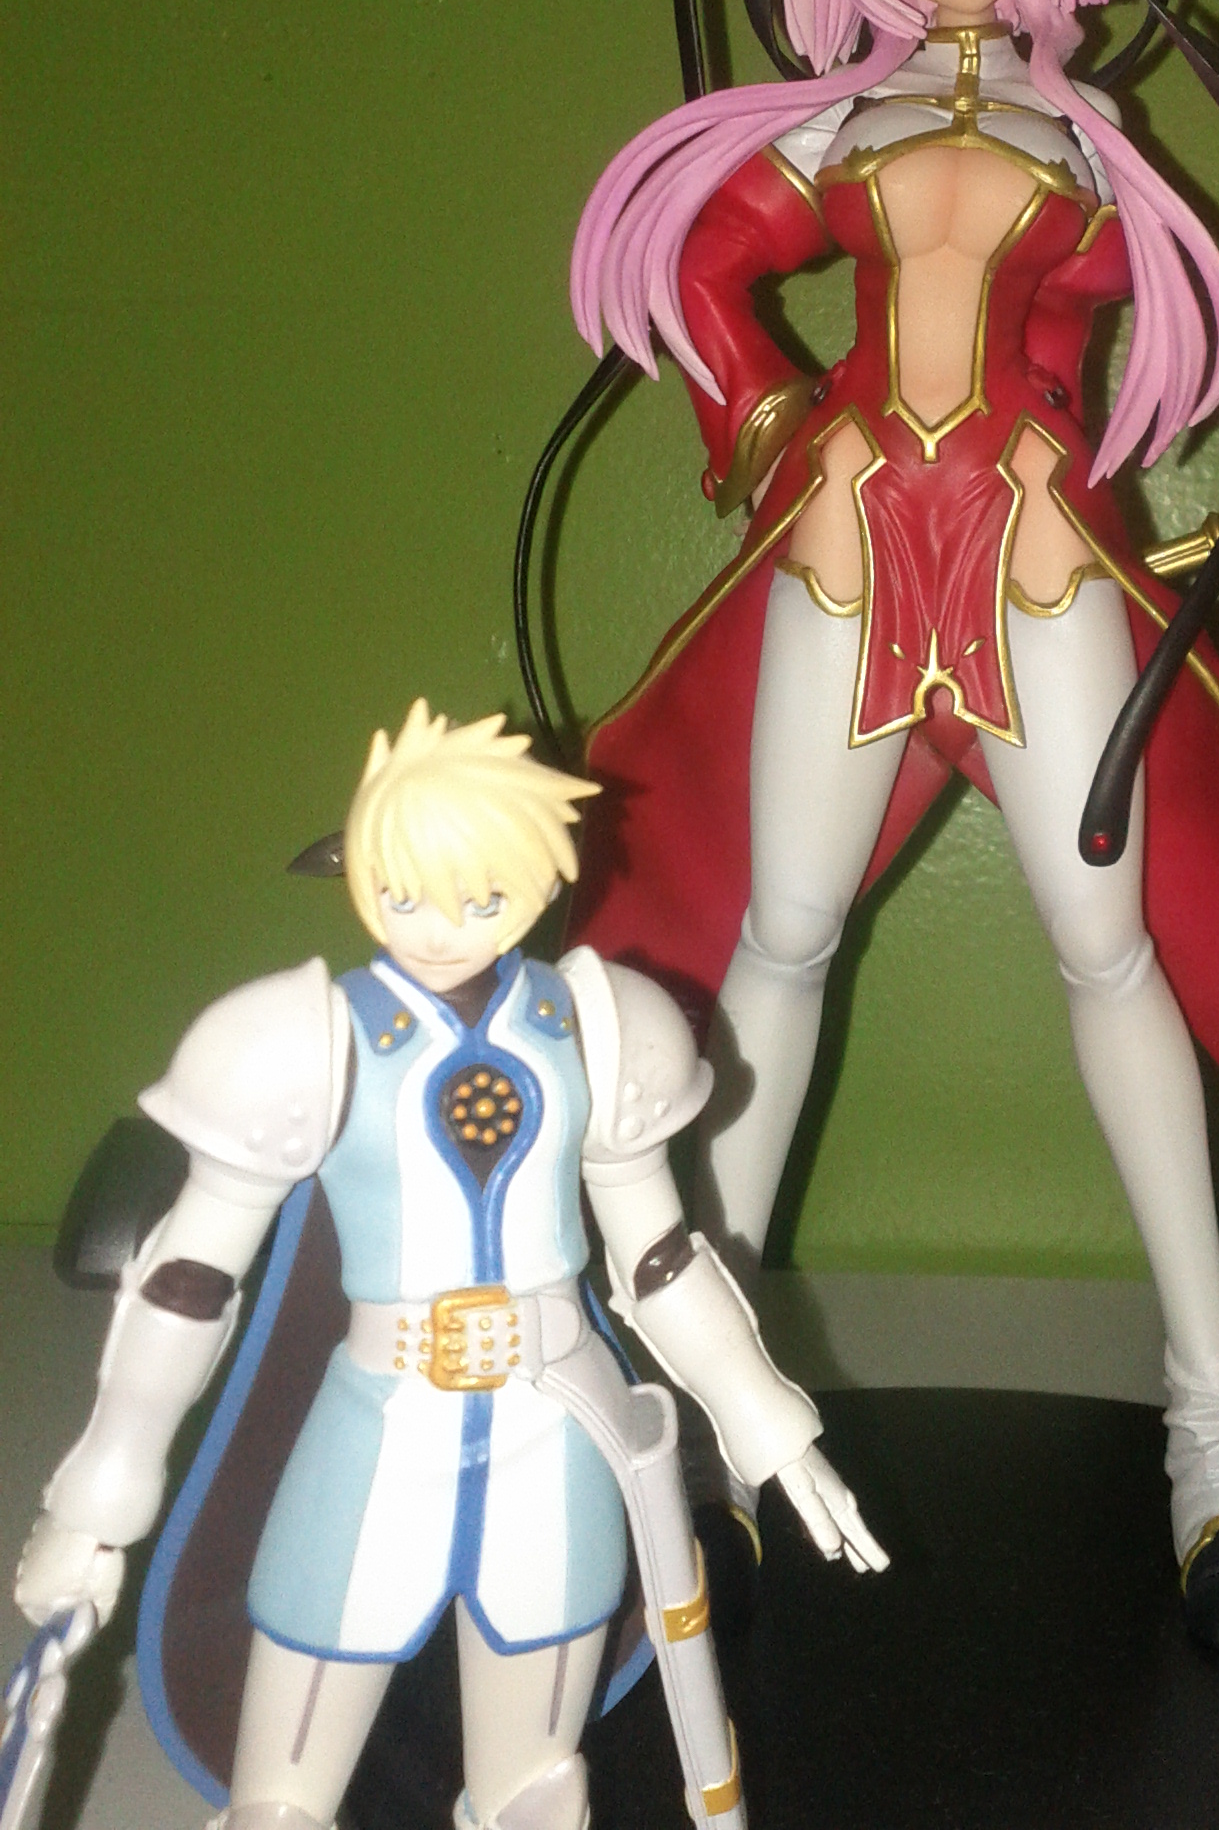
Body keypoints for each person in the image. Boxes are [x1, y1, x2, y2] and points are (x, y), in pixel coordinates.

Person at [567, 0, 1219, 1648]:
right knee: (777, 944)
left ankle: (1215, 1425)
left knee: (1114, 947)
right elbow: (701, 270)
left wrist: (1064, 437)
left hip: (1029, 555)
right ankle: (715, 1409)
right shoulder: (832, 127)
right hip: (853, 549)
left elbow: (1155, 308)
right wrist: (784, 435)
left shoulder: (1091, 137)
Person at [13, 703, 883, 1830]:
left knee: (536, 1794)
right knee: (279, 1802)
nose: (438, 929)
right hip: (375, 1433)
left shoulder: (600, 1027)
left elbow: (661, 1257)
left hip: (554, 1435)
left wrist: (765, 1421)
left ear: (541, 879)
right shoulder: (300, 1040)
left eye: (481, 897)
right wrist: (99, 1493)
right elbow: (188, 1277)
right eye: (405, 892)